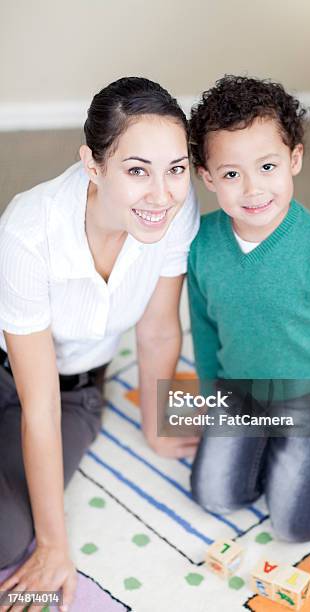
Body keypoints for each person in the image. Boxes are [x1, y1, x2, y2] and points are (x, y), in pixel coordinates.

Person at [0, 76, 199, 610]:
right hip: (14, 377)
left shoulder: (174, 214)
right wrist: (56, 546)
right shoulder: (27, 228)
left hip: (74, 394)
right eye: (137, 171)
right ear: (93, 165)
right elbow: (31, 404)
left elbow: (157, 327)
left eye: (176, 169)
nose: (162, 194)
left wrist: (158, 422)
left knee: (5, 537)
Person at [187, 75, 310, 543]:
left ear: (294, 160)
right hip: (242, 394)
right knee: (216, 495)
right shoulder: (202, 245)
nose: (253, 189)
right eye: (232, 174)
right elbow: (203, 329)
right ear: (207, 177)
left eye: (267, 167)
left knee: (296, 526)